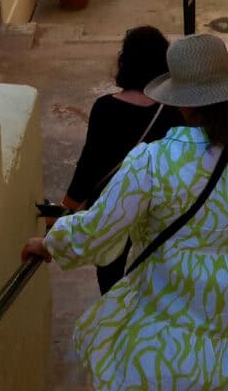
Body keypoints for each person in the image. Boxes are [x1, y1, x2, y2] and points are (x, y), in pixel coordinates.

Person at [23, 33, 228, 391]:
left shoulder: (151, 163)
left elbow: (100, 229)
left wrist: (50, 243)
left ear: (181, 103)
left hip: (169, 314)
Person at [60, 25, 183, 294]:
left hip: (113, 217)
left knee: (114, 292)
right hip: (156, 218)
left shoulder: (105, 108)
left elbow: (89, 166)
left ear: (125, 62)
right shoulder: (174, 111)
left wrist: (63, 211)